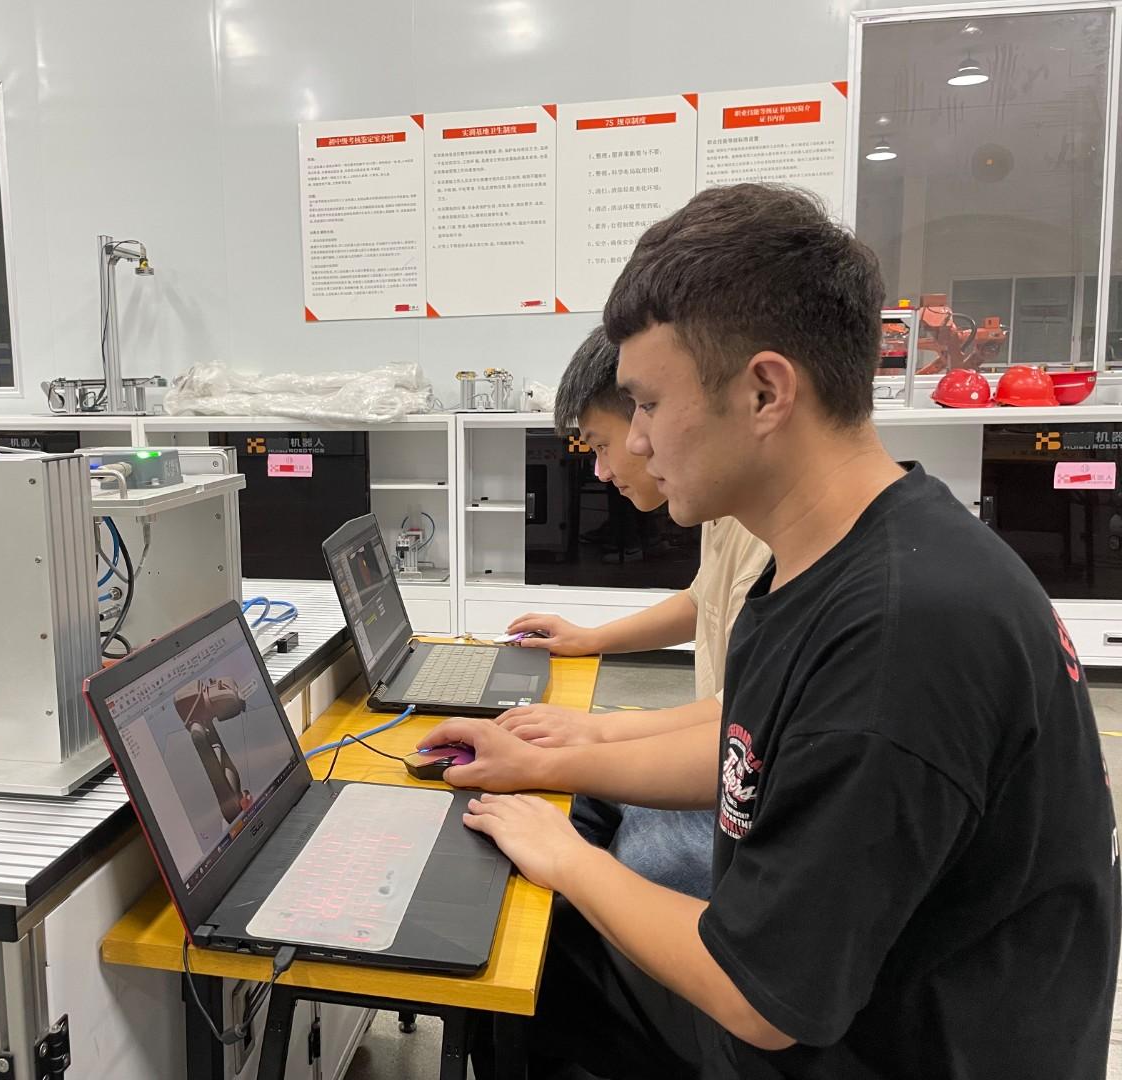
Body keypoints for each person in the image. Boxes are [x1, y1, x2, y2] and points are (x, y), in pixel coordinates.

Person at [423, 184, 1120, 1078]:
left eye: (646, 404)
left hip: (876, 1050)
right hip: (860, 1004)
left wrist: (564, 858)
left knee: (531, 943)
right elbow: (750, 757)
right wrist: (561, 758)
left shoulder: (905, 632)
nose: (636, 444)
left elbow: (759, 1002)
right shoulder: (838, 559)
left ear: (764, 393)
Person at [502, 324, 769, 898]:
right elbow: (702, 600)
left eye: (648, 408)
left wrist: (593, 734)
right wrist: (590, 639)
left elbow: (742, 733)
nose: (633, 449)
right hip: (730, 762)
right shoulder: (730, 509)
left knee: (628, 856)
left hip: (741, 797)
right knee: (563, 800)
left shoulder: (785, 549)